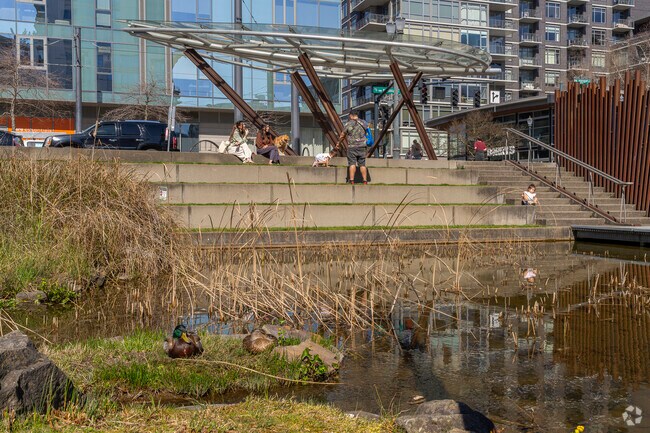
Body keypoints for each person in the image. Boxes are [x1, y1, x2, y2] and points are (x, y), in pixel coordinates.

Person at [337, 111, 368, 184]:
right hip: (362, 146)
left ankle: (351, 180)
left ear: (351, 115)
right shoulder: (364, 123)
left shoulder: (348, 124)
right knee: (362, 164)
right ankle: (365, 181)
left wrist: (339, 143)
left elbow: (342, 135)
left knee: (352, 163)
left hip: (352, 147)